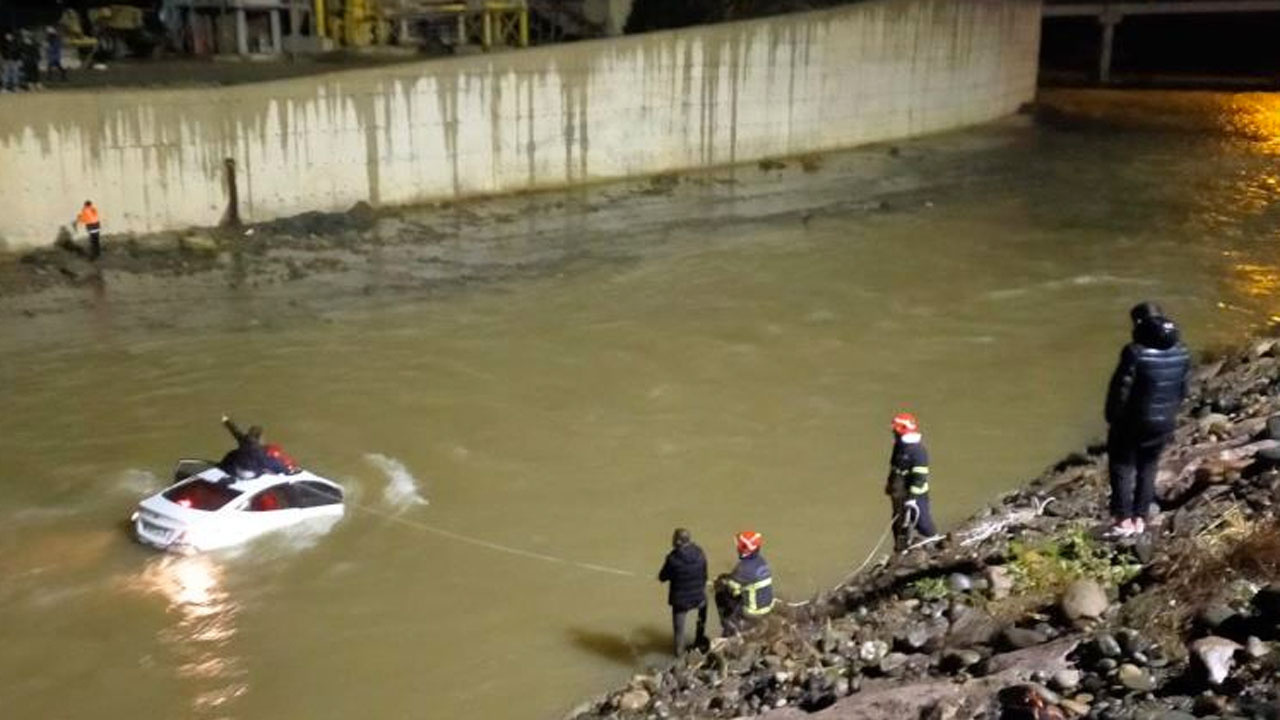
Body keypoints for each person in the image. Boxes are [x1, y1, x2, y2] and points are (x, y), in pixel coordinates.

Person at [1104, 303, 1191, 537]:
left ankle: (1123, 521)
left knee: (1122, 467)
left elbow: (1120, 390)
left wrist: (1112, 418)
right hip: (1164, 423)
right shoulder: (1182, 352)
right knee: (1148, 466)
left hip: (1133, 422)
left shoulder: (1135, 353)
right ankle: (1140, 519)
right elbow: (1183, 390)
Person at [885, 412, 938, 552]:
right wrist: (890, 483)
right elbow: (894, 465)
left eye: (895, 430)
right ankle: (900, 550)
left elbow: (919, 477)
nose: (893, 433)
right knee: (898, 522)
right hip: (899, 492)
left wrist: (912, 499)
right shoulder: (899, 446)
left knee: (922, 522)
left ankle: (935, 544)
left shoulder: (918, 451)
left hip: (916, 495)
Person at [657, 528, 709, 656]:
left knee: (679, 630)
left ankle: (679, 654)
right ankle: (699, 639)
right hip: (699, 598)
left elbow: (663, 577)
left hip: (681, 602)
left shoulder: (673, 559)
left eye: (674, 538)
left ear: (679, 542)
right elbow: (705, 575)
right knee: (703, 610)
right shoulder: (700, 553)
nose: (672, 541)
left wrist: (662, 577)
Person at [714, 530, 774, 636]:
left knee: (721, 595)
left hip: (753, 612)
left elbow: (733, 590)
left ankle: (730, 627)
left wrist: (720, 583)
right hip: (767, 605)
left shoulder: (743, 568)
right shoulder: (762, 561)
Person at [218, 415, 288, 478]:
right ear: (259, 437)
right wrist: (283, 470)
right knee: (273, 462)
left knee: (233, 454)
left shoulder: (243, 439)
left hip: (237, 469)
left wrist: (227, 421)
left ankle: (221, 466)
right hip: (249, 474)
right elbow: (265, 463)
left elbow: (235, 431)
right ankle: (287, 472)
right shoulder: (258, 450)